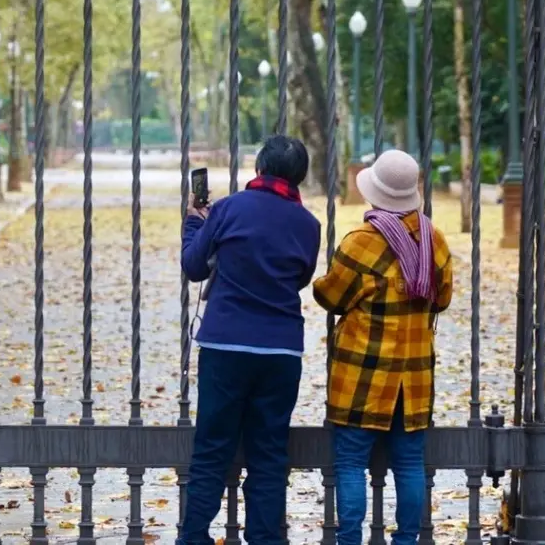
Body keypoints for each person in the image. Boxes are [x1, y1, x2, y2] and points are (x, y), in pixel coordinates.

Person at [178, 135, 321, 545]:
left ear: (259, 168)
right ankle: (264, 538)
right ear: (300, 177)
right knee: (270, 454)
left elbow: (193, 267)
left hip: (226, 345)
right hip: (280, 350)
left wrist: (194, 223)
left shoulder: (228, 209)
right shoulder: (309, 224)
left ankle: (193, 536)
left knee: (212, 448)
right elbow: (301, 277)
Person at [312, 149, 453, 545]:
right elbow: (442, 299)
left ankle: (350, 540)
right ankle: (407, 541)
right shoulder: (433, 240)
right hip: (414, 378)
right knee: (409, 465)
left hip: (362, 376)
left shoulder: (362, 242)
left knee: (351, 463)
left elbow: (331, 297)